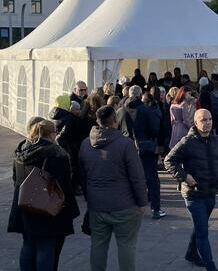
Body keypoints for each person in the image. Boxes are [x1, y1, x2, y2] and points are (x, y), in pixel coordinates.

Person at [79, 106, 148, 271]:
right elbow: (137, 177)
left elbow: (82, 176)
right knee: (126, 246)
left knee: (98, 245)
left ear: (98, 121)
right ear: (115, 121)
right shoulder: (126, 144)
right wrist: (142, 202)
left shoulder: (86, 144)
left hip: (97, 205)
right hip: (124, 205)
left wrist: (90, 198)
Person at [164, 109, 218, 271]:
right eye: (203, 120)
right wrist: (184, 176)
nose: (208, 122)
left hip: (211, 192)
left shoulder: (217, 140)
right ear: (196, 123)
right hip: (193, 194)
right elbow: (169, 161)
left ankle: (191, 253)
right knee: (203, 231)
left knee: (200, 225)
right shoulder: (187, 142)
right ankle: (211, 266)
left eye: (209, 119)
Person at [8, 119, 79, 271]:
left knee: (28, 244)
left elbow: (15, 178)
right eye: (55, 133)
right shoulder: (57, 154)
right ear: (51, 134)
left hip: (25, 203)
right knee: (46, 246)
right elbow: (65, 184)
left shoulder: (21, 151)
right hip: (47, 207)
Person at [117, 86, 166, 219]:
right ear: (139, 96)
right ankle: (155, 209)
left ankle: (129, 208)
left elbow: (116, 129)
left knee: (129, 178)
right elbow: (155, 128)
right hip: (146, 147)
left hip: (126, 147)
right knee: (152, 179)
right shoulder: (145, 109)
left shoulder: (121, 110)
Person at [49, 95, 83, 195]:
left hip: (57, 145)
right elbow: (68, 133)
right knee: (72, 167)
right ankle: (72, 189)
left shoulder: (53, 114)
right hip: (68, 145)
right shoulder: (69, 117)